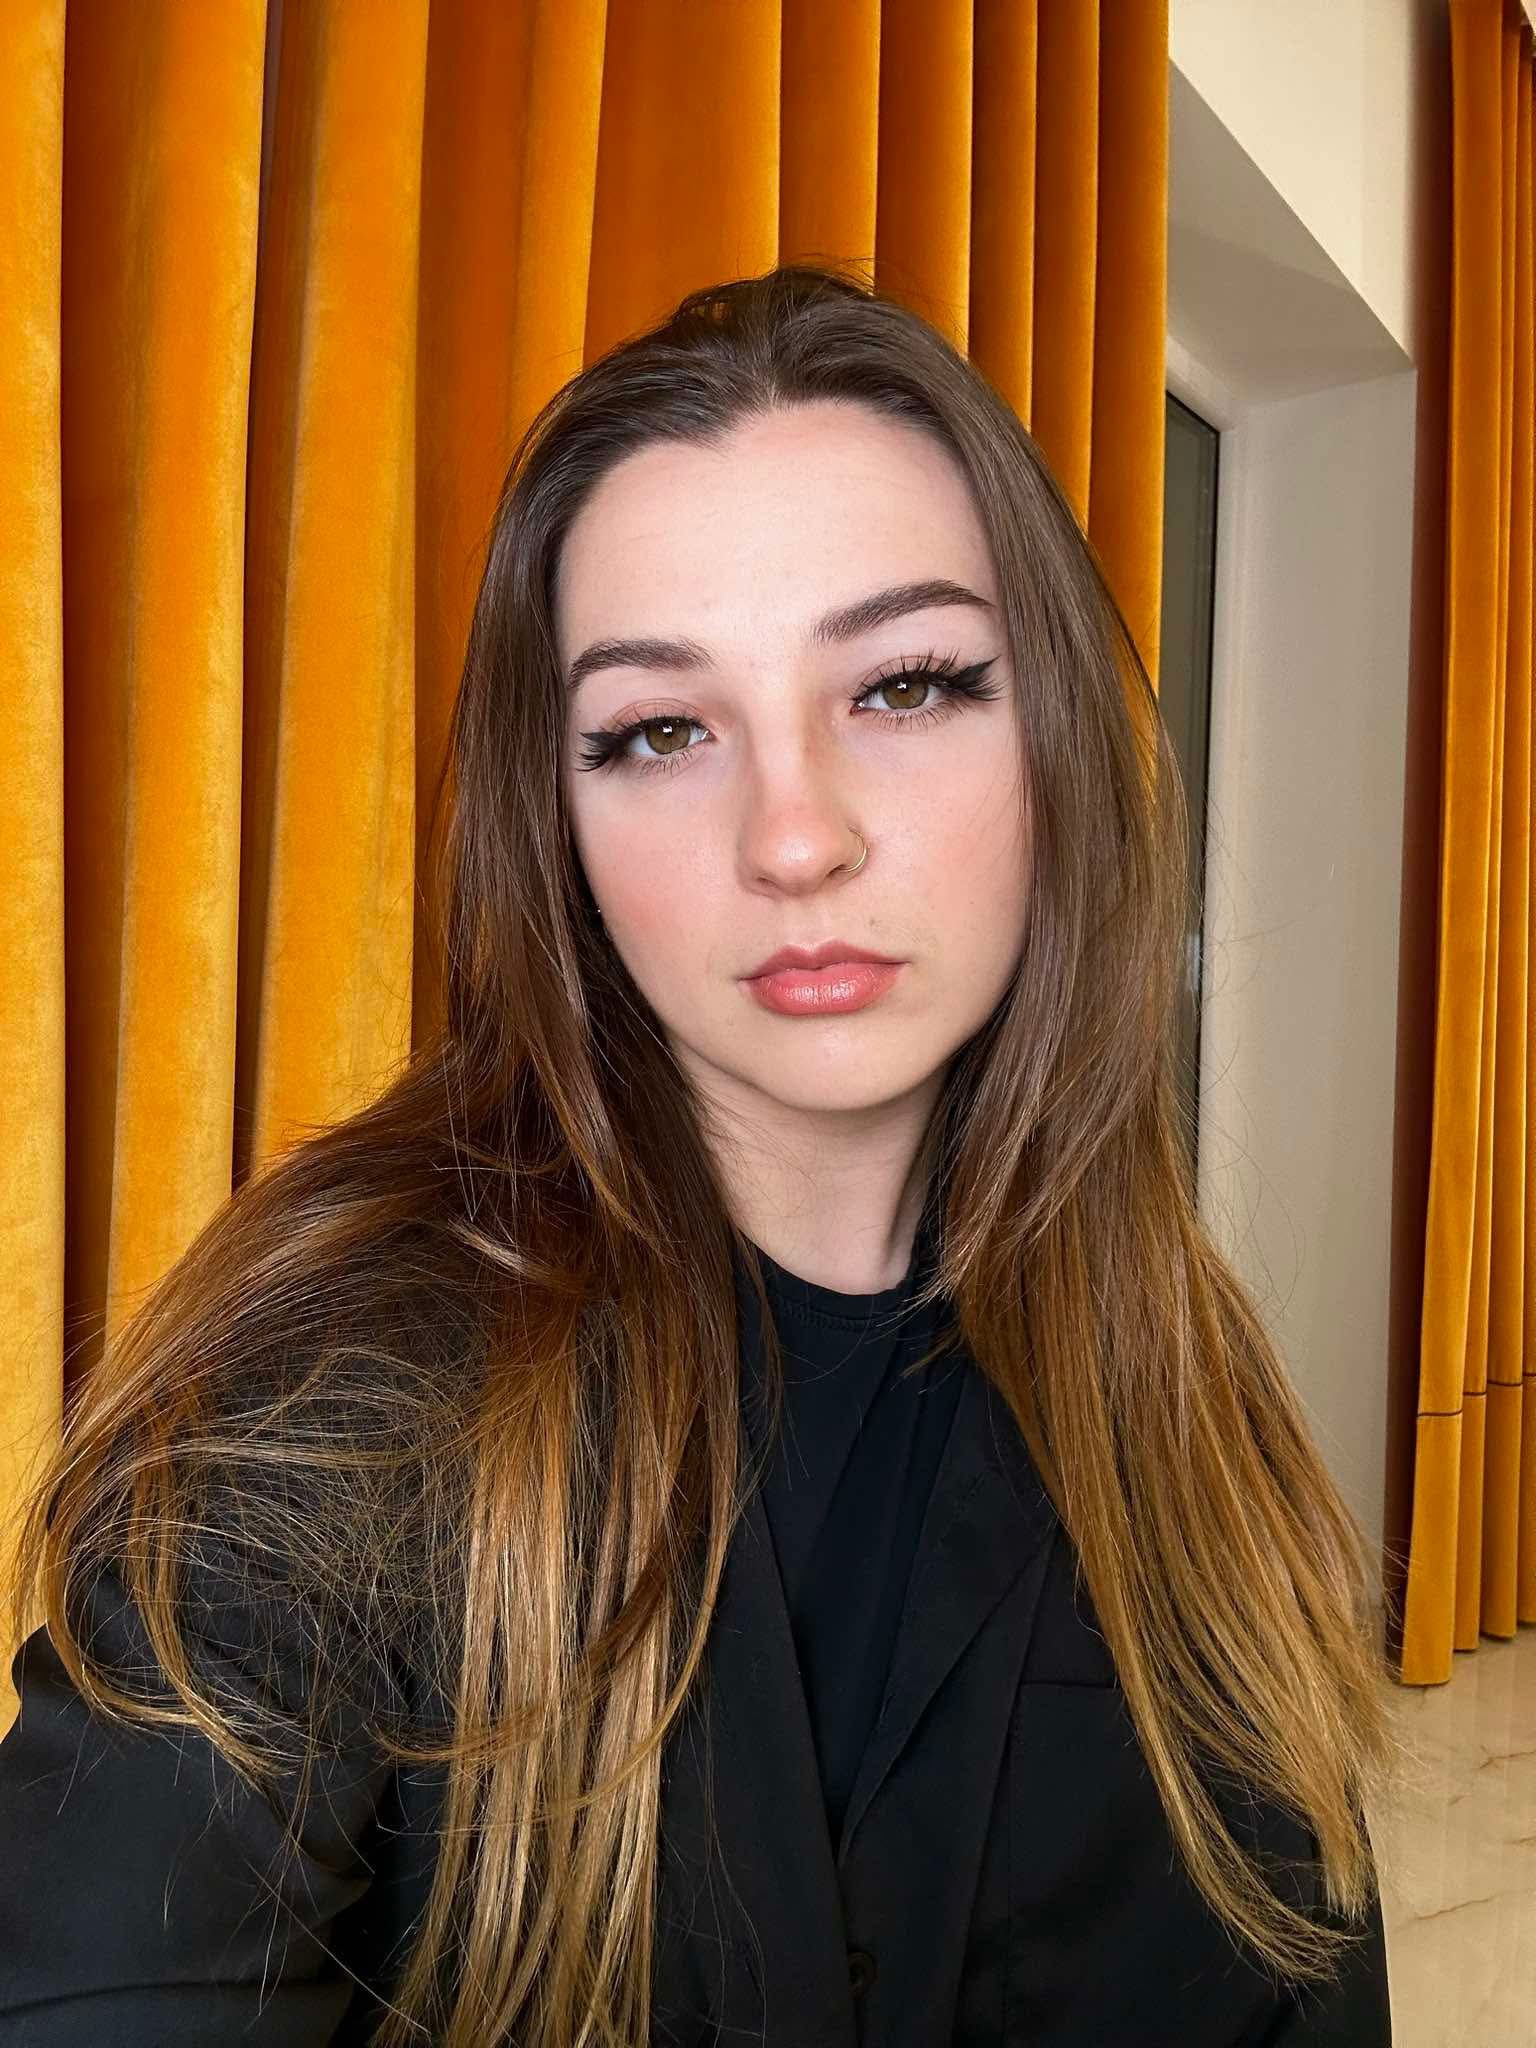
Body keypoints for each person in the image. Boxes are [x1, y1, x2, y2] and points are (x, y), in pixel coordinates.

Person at [0, 264, 1404, 2046]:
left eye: (905, 685)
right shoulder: (334, 1398)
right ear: (558, 822)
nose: (794, 836)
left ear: (1055, 732)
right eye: (662, 731)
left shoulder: (1193, 1397)